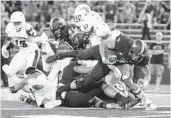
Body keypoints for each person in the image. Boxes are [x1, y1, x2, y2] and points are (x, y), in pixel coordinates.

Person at [46, 30, 157, 110]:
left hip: (114, 63)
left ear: (142, 55)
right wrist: (104, 58)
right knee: (82, 55)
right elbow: (103, 45)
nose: (132, 55)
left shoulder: (143, 59)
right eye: (131, 52)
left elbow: (144, 70)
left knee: (87, 81)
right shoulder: (124, 42)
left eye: (135, 54)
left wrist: (146, 81)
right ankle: (60, 56)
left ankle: (138, 99)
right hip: (103, 54)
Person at [2, 11, 40, 92]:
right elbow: (8, 38)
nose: (16, 25)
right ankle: (19, 85)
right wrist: (4, 47)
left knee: (29, 74)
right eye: (15, 23)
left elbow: (33, 39)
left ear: (23, 22)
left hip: (32, 52)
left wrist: (25, 35)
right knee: (10, 71)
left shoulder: (28, 28)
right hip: (22, 52)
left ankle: (29, 88)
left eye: (18, 22)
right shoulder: (9, 27)